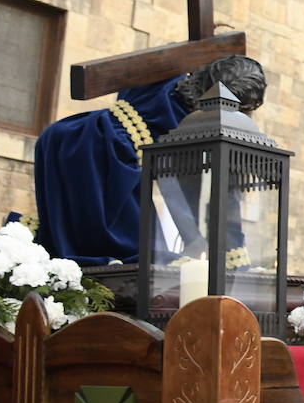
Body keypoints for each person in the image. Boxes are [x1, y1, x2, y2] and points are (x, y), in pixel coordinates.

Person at [33, 55, 266, 264]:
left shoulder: (165, 80)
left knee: (67, 239)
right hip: (106, 163)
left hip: (66, 135)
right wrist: (209, 246)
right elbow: (184, 192)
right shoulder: (196, 128)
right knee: (140, 262)